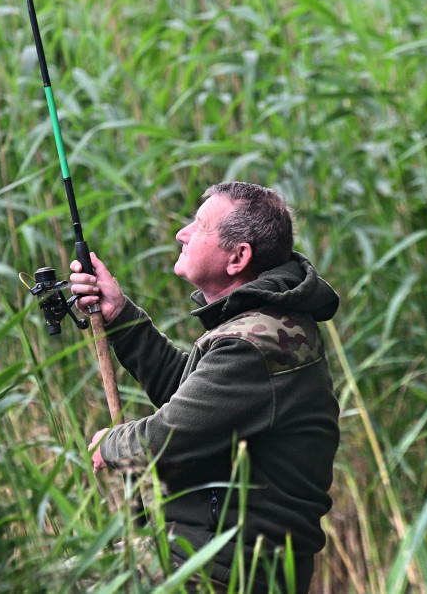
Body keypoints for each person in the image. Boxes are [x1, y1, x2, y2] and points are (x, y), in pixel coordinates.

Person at [69, 182, 340, 593]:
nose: (182, 234)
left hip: (230, 566)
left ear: (238, 257)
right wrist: (120, 316)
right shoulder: (266, 324)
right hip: (214, 551)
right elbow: (196, 399)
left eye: (199, 225)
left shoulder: (254, 343)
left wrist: (111, 444)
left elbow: (166, 437)